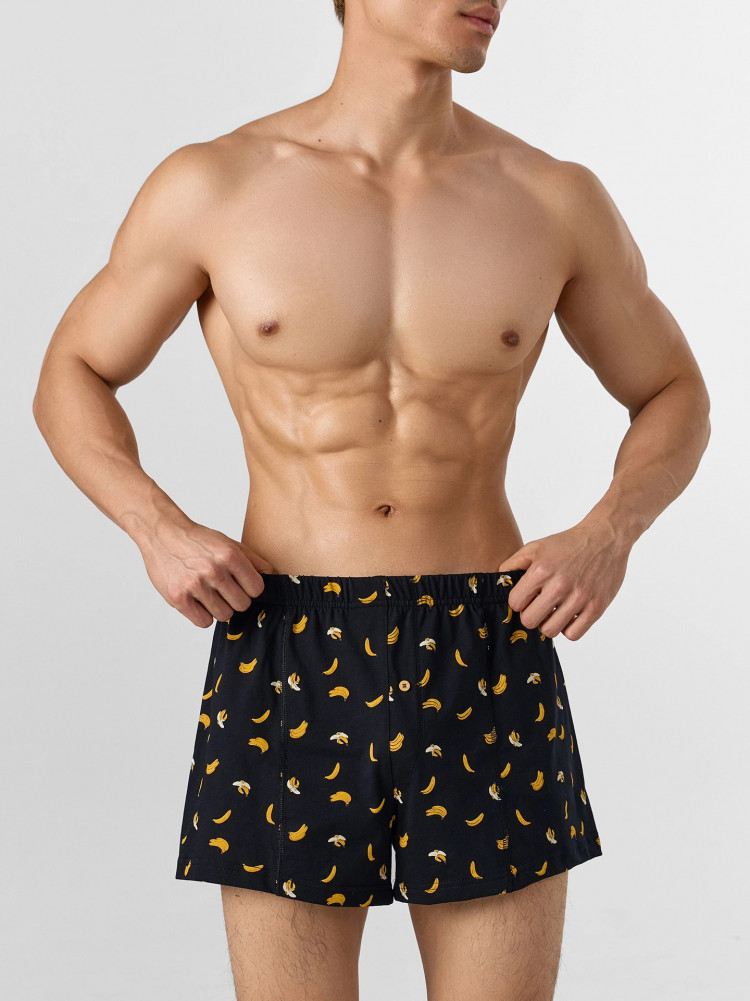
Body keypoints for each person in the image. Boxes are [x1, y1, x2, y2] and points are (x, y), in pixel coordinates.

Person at [32, 1, 711, 998]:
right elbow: (74, 370)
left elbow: (674, 389)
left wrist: (610, 530)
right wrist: (156, 526)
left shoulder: (552, 197)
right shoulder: (215, 185)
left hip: (486, 640)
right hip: (286, 637)